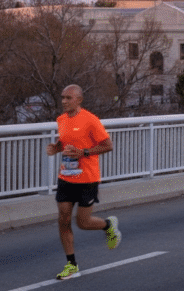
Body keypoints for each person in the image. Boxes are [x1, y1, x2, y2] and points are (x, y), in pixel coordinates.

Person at [46, 85, 121, 280]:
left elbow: (108, 145)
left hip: (87, 178)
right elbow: (66, 140)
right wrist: (57, 147)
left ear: (79, 100)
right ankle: (71, 264)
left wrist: (84, 152)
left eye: (68, 98)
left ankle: (108, 225)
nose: (64, 101)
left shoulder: (90, 120)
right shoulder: (61, 120)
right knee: (63, 219)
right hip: (66, 176)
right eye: (62, 97)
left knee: (83, 222)